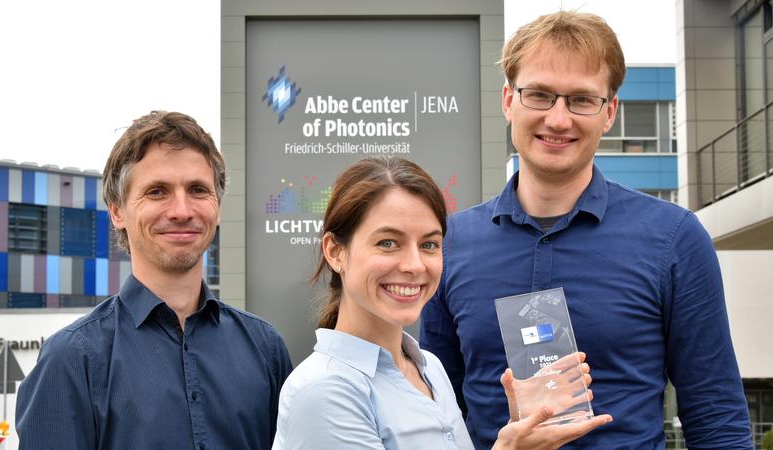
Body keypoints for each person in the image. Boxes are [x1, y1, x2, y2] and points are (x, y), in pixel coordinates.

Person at [420, 11, 752, 450]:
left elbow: (716, 414)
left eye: (581, 99)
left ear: (609, 111)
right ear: (507, 100)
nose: (558, 120)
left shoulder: (673, 238)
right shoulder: (451, 242)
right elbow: (437, 417)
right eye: (539, 95)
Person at [273, 157, 612, 450]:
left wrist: (522, 431)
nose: (414, 265)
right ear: (335, 252)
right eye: (388, 243)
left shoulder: (429, 368)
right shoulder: (324, 391)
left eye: (430, 245)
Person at [16, 111, 292, 449]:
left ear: (218, 207)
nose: (181, 210)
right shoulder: (73, 358)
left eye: (197, 190)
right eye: (158, 191)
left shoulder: (265, 348)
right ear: (117, 211)